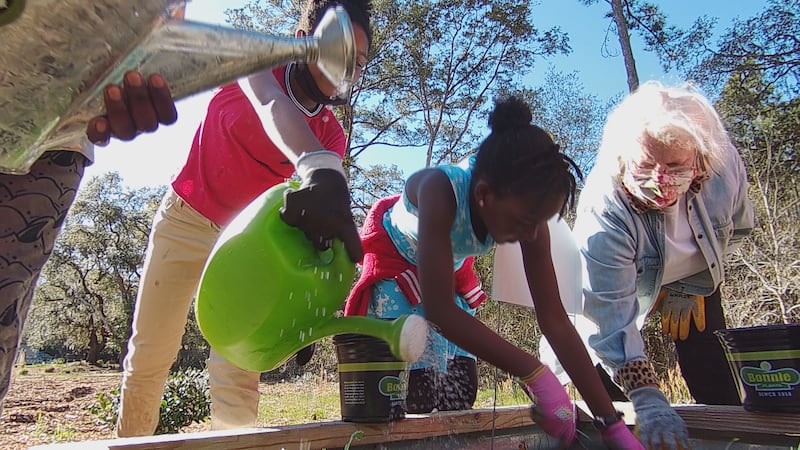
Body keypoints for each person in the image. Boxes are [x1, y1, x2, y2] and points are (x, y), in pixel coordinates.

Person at [86, 0, 373, 436]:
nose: (347, 67)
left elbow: (313, 216)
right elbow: (271, 105)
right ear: (304, 44)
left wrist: (306, 306)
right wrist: (315, 164)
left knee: (237, 379)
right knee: (149, 358)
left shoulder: (332, 134)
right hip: (186, 220)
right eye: (341, 50)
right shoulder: (256, 61)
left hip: (248, 251)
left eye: (359, 60)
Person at [344, 96, 643, 448]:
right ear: (483, 195)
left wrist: (610, 423)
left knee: (460, 387)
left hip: (445, 276)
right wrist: (535, 373)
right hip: (399, 275)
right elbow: (440, 310)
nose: (531, 236)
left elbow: (556, 321)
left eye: (539, 224)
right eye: (525, 223)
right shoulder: (439, 190)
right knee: (411, 393)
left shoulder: (526, 214)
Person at [573, 81, 755, 449]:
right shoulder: (603, 208)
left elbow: (738, 229)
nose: (660, 181)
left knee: (713, 375)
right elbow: (608, 320)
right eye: (645, 165)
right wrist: (649, 399)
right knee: (613, 399)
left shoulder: (724, 167)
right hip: (616, 290)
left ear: (699, 159)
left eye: (675, 166)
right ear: (623, 158)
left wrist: (687, 284)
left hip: (695, 282)